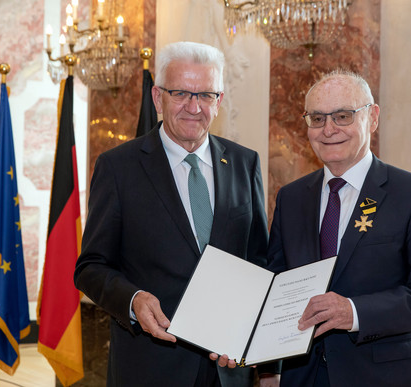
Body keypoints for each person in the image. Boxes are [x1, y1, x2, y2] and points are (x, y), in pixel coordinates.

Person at [74, 41, 270, 386]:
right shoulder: (119, 168)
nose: (193, 107)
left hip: (229, 369)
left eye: (206, 95)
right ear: (157, 97)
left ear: (219, 100)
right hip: (151, 366)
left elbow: (260, 262)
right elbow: (90, 267)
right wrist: (132, 300)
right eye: (181, 93)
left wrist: (268, 360)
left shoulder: (244, 163)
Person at [265, 69, 411, 387]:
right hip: (305, 377)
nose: (329, 129)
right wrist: (270, 367)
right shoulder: (292, 198)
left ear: (372, 117)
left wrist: (353, 311)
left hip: (385, 377)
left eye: (342, 116)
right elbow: (277, 289)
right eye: (317, 118)